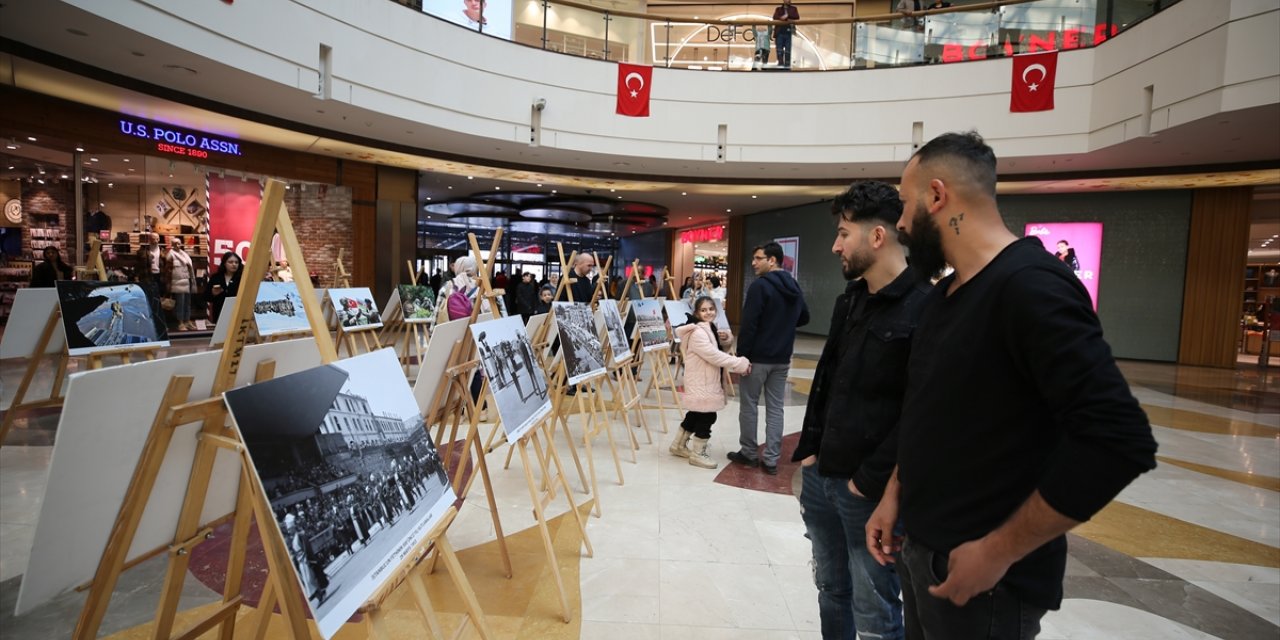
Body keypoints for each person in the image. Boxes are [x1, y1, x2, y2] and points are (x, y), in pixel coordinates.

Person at [867, 131, 1157, 638]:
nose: (900, 224)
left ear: (937, 196)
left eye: (906, 205)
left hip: (986, 583)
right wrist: (895, 493)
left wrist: (996, 552)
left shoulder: (1031, 286)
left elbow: (1118, 438)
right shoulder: (944, 297)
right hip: (921, 551)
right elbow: (929, 411)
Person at [792, 181, 931, 640]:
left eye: (843, 233)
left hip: (869, 492)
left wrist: (865, 483)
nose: (835, 245)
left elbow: (921, 411)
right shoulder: (849, 300)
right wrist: (810, 454)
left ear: (877, 237)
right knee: (830, 589)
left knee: (875, 609)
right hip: (822, 475)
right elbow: (827, 382)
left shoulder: (925, 308)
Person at [729, 241, 809, 475]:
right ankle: (772, 459)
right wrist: (783, 324)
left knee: (749, 406)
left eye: (758, 258)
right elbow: (804, 316)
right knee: (776, 408)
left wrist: (742, 356)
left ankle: (750, 453)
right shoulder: (793, 286)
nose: (753, 263)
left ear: (772, 260)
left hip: (758, 359)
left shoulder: (760, 287)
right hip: (783, 358)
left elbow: (750, 325)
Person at [670, 296, 752, 469]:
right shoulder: (698, 332)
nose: (708, 312)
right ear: (697, 313)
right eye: (704, 310)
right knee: (708, 415)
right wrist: (740, 363)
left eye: (711, 309)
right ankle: (698, 453)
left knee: (695, 413)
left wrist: (725, 339)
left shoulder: (709, 328)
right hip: (702, 381)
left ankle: (678, 445)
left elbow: (717, 348)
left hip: (705, 379)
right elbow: (713, 355)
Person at [164, 238, 196, 331]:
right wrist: (168, 284)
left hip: (187, 281)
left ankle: (187, 320)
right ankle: (180, 322)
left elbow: (189, 268)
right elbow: (168, 271)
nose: (178, 245)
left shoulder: (184, 254)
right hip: (177, 282)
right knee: (180, 303)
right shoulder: (170, 255)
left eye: (179, 243)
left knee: (187, 303)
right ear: (172, 244)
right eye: (176, 243)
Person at [205, 251, 243, 324]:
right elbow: (206, 297)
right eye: (230, 262)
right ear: (224, 263)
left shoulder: (242, 278)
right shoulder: (216, 277)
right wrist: (213, 293)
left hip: (237, 312)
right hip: (219, 312)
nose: (234, 264)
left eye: (236, 262)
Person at [772, 0, 799, 69]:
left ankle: (787, 65)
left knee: (788, 50)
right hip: (780, 32)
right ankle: (780, 64)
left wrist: (787, 16)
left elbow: (797, 16)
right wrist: (783, 18)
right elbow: (775, 17)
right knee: (779, 50)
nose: (788, 0)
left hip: (789, 32)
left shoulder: (793, 8)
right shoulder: (778, 9)